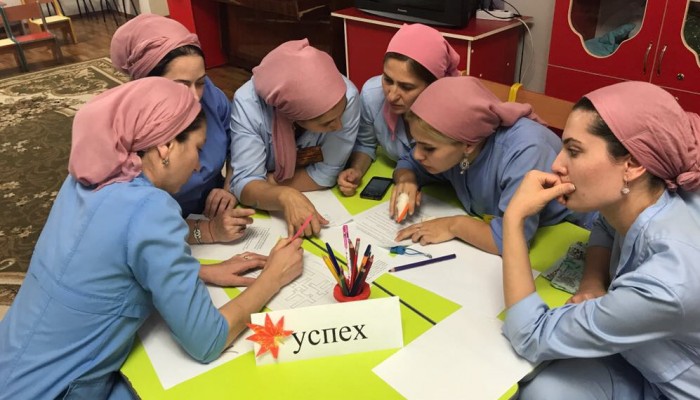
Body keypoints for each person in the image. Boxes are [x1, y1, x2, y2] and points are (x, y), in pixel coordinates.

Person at [0, 78, 304, 399]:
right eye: (198, 149)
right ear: (166, 147)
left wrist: (201, 271)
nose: (199, 164)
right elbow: (208, 340)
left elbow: (105, 264)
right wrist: (272, 277)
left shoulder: (85, 180)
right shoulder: (151, 208)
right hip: (59, 390)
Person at [501, 81, 700, 399]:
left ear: (632, 164)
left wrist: (514, 218)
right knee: (539, 389)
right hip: (642, 358)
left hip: (675, 388)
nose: (556, 165)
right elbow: (605, 225)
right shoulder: (649, 195)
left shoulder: (668, 281)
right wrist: (592, 282)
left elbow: (530, 334)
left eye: (574, 151)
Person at [390, 76, 588, 255]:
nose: (418, 154)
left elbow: (511, 241)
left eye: (428, 148)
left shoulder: (525, 151)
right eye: (416, 142)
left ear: (468, 145)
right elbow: (409, 162)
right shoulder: (456, 142)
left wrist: (454, 225)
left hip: (571, 233)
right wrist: (407, 180)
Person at [110, 14, 251, 246]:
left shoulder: (210, 97)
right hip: (166, 230)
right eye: (181, 85)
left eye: (201, 82)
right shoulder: (124, 136)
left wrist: (229, 188)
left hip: (216, 211)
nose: (194, 97)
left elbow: (237, 141)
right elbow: (136, 228)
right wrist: (207, 231)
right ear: (147, 83)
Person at [229, 39, 360, 237]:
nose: (338, 127)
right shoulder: (248, 105)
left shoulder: (346, 95)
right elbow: (244, 184)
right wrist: (285, 196)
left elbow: (326, 173)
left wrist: (265, 185)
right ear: (293, 117)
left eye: (341, 115)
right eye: (326, 123)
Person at [337, 23, 460, 196]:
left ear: (434, 86)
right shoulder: (372, 95)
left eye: (406, 87)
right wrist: (356, 170)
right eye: (387, 80)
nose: (392, 96)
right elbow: (366, 143)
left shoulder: (456, 112)